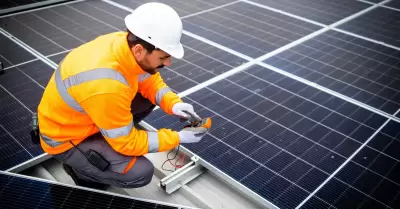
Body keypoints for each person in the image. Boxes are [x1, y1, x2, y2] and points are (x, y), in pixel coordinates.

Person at [36, 2, 209, 190]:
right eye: (163, 57)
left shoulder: (123, 43)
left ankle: (112, 129)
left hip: (89, 113)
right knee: (139, 172)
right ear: (140, 50)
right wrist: (177, 137)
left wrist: (173, 104)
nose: (168, 63)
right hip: (66, 137)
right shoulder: (106, 85)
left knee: (146, 98)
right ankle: (81, 171)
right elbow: (127, 143)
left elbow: (149, 81)